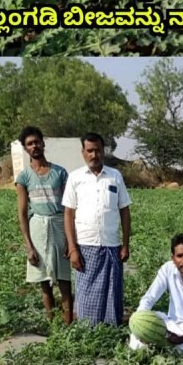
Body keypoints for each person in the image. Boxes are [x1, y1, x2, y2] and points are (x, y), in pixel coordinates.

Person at [62, 133, 131, 326]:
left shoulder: (115, 176)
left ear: (103, 151)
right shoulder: (75, 178)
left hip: (111, 244)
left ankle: (110, 329)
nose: (94, 155)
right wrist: (73, 248)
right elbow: (68, 214)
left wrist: (125, 244)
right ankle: (88, 329)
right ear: (83, 152)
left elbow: (124, 210)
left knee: (112, 290)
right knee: (86, 291)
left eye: (98, 150)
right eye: (90, 151)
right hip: (85, 245)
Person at [15, 126, 72, 324]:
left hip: (58, 225)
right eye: (30, 144)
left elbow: (68, 208)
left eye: (37, 142)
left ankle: (68, 323)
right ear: (25, 148)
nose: (34, 146)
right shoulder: (23, 177)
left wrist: (70, 241)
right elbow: (22, 213)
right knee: (44, 282)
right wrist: (28, 246)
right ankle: (52, 324)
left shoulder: (60, 173)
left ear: (43, 143)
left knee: (64, 280)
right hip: (37, 228)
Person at [129, 233, 183, 358]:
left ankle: (162, 346)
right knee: (137, 339)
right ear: (173, 258)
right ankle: (167, 345)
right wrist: (141, 323)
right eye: (179, 256)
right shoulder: (167, 269)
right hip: (173, 325)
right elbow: (149, 298)